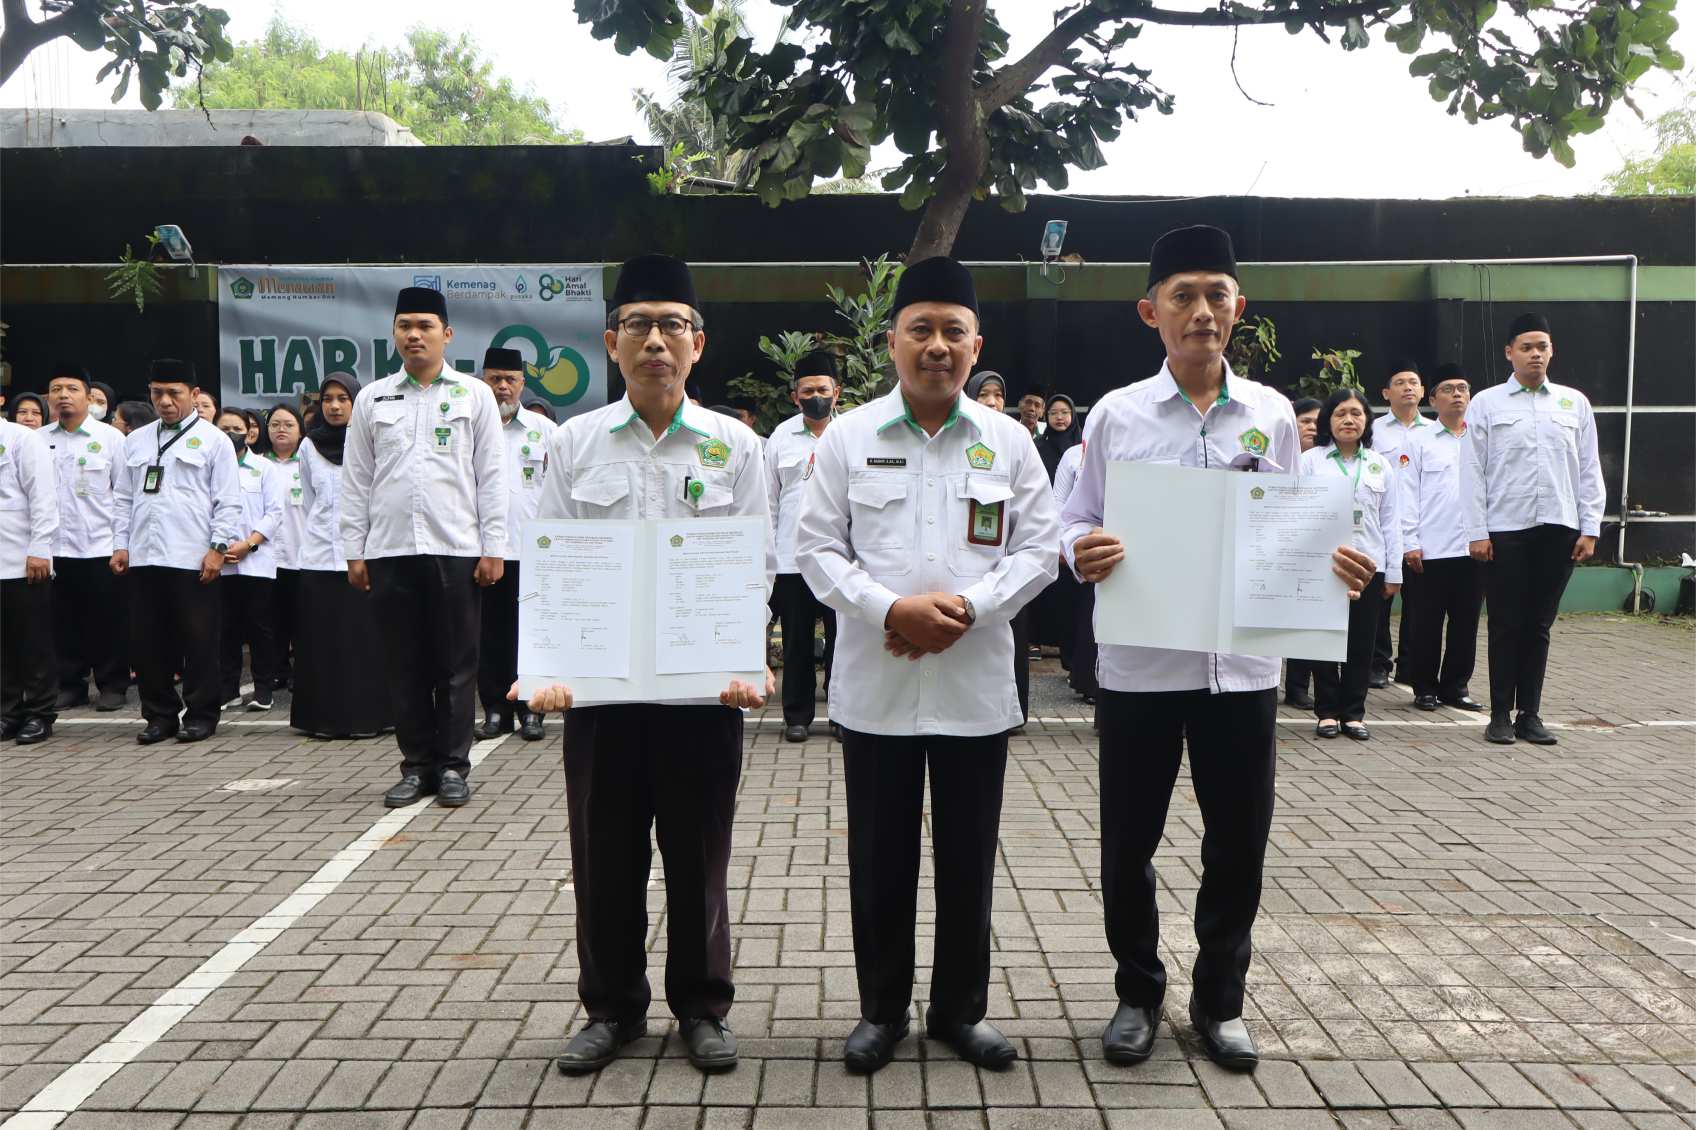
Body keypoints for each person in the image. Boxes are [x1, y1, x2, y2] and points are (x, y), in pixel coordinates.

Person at [1062, 225, 1374, 1074]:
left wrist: (1338, 562)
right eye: (1183, 297)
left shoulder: (1272, 415)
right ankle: (1137, 991)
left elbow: (1298, 523)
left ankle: (1219, 1002)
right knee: (1130, 839)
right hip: (1142, 666)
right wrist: (1079, 551)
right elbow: (1077, 517)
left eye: (1217, 295)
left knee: (1238, 841)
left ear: (1239, 307)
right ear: (1150, 311)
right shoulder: (1117, 415)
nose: (1202, 312)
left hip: (1240, 670)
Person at [798, 256, 1059, 1075]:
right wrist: (890, 610)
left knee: (968, 858)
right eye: (922, 330)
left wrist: (969, 611)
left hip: (975, 684)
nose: (938, 346)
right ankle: (882, 1011)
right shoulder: (847, 437)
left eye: (953, 331)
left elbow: (1041, 547)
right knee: (878, 857)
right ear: (892, 342)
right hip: (877, 686)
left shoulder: (1009, 441)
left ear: (976, 342)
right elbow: (812, 547)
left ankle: (959, 1012)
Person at [512, 254, 771, 1077]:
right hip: (603, 692)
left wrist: (744, 659)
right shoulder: (575, 444)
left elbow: (755, 565)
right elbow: (548, 558)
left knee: (699, 858)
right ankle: (612, 1010)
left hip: (703, 690)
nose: (655, 341)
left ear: (699, 343)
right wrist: (547, 665)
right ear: (611, 342)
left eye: (671, 325)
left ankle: (701, 1007)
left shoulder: (735, 447)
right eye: (637, 325)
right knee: (605, 854)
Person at [342, 287, 506, 809]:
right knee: (404, 664)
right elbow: (356, 479)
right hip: (390, 549)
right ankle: (416, 766)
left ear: (447, 334)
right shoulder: (373, 397)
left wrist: (493, 546)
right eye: (405, 325)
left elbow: (493, 476)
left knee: (457, 664)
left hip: (456, 546)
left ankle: (455, 767)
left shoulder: (473, 395)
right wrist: (354, 549)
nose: (414, 334)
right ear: (394, 334)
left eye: (425, 325)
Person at [1463, 313, 1603, 746]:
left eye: (1542, 346)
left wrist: (1590, 526)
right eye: (1526, 347)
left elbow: (1589, 468)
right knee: (1505, 622)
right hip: (1505, 529)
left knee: (1539, 624)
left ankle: (1530, 714)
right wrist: (1477, 531)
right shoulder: (1486, 403)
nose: (1536, 354)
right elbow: (1471, 471)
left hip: (1559, 527)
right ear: (1510, 353)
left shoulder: (1573, 403)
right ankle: (1500, 714)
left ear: (1551, 351)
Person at [110, 359, 241, 744]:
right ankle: (159, 715)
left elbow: (228, 502)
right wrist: (121, 545)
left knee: (198, 640)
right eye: (157, 393)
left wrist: (217, 548)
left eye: (174, 393)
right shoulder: (135, 440)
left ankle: (201, 715)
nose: (165, 401)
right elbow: (122, 499)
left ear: (194, 395)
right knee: (148, 642)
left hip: (192, 557)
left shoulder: (215, 441)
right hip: (145, 557)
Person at [292, 373, 393, 740]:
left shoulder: (371, 439)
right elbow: (308, 500)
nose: (334, 406)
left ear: (356, 403)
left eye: (343, 399)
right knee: (323, 642)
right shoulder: (308, 446)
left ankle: (369, 717)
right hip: (320, 556)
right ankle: (324, 720)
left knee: (364, 641)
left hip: (366, 555)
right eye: (328, 400)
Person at [1301, 389, 1401, 742]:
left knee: (1362, 642)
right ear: (1329, 419)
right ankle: (1327, 711)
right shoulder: (1311, 461)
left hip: (1369, 565)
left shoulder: (1379, 464)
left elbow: (1391, 520)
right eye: (1341, 413)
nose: (1349, 420)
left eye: (1357, 414)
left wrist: (1394, 573)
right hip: (1323, 565)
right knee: (1324, 639)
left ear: (1367, 422)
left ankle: (1354, 714)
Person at [475, 345, 553, 742]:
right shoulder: (470, 428)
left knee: (533, 633)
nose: (503, 388)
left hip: (534, 551)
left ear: (523, 383)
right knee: (491, 634)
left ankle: (532, 709)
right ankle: (495, 710)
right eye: (495, 380)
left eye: (510, 380)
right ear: (483, 381)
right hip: (485, 552)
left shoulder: (545, 432)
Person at [43, 363, 129, 711]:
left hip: (100, 546)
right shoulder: (37, 440)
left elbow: (125, 495)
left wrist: (123, 544)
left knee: (107, 621)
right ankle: (70, 684)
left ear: (88, 396)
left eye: (72, 389)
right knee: (61, 622)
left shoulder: (111, 439)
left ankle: (113, 685)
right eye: (57, 389)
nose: (64, 395)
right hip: (54, 548)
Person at [765, 350, 840, 742]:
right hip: (791, 560)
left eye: (822, 390)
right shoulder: (780, 437)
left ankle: (843, 714)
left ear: (836, 392)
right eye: (807, 390)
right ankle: (797, 715)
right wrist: (769, 560)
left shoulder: (851, 435)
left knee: (842, 641)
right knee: (796, 642)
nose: (816, 396)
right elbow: (768, 502)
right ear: (796, 396)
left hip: (841, 558)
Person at [1400, 364, 1485, 712]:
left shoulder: (1482, 439)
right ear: (1432, 399)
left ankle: (1456, 686)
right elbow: (1406, 493)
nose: (1457, 395)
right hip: (1430, 548)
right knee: (1426, 622)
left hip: (1474, 546)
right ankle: (1424, 686)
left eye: (1463, 388)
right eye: (1448, 389)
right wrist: (1410, 541)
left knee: (1466, 623)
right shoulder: (1417, 441)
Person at [968, 370, 1031, 721]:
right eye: (984, 394)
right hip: (975, 571)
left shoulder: (1014, 440)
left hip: (1010, 569)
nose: (992, 401)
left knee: (1014, 641)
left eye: (997, 395)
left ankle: (1016, 710)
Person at [214, 408, 286, 712]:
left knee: (260, 628)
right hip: (219, 562)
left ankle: (263, 689)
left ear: (249, 432)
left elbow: (275, 512)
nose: (231, 432)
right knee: (225, 629)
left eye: (236, 427)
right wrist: (218, 548)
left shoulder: (263, 468)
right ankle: (228, 690)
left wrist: (248, 544)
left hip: (256, 561)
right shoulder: (212, 466)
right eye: (224, 427)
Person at [1367, 362, 1427, 687]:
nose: (1407, 387)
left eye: (1413, 382)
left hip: (1421, 530)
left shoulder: (1432, 432)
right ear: (1386, 393)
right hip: (1381, 527)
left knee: (1418, 605)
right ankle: (1378, 663)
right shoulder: (1373, 431)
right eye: (1400, 382)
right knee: (1380, 600)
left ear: (1422, 391)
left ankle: (1409, 665)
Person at [0, 418, 59, 743]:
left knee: (32, 641)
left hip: (22, 557)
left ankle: (39, 713)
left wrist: (40, 547)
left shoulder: (21, 438)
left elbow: (43, 496)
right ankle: (8, 712)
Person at [1283, 396, 1324, 709]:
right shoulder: (1278, 458)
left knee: (1307, 619)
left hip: (1314, 549)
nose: (1313, 427)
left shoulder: (1328, 460)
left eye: (1317, 422)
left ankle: (1299, 687)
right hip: (1278, 546)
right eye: (1306, 421)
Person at [264, 404, 307, 692]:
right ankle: (276, 670)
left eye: (288, 424)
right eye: (275, 424)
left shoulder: (307, 463)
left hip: (300, 552)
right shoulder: (257, 464)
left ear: (301, 431)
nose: (281, 429)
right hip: (265, 557)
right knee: (270, 619)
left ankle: (301, 672)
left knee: (301, 619)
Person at [1052, 442, 1097, 706]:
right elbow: (1059, 501)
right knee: (1083, 618)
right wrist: (1063, 543)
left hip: (1116, 543)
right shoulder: (1071, 455)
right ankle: (1085, 680)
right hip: (1081, 547)